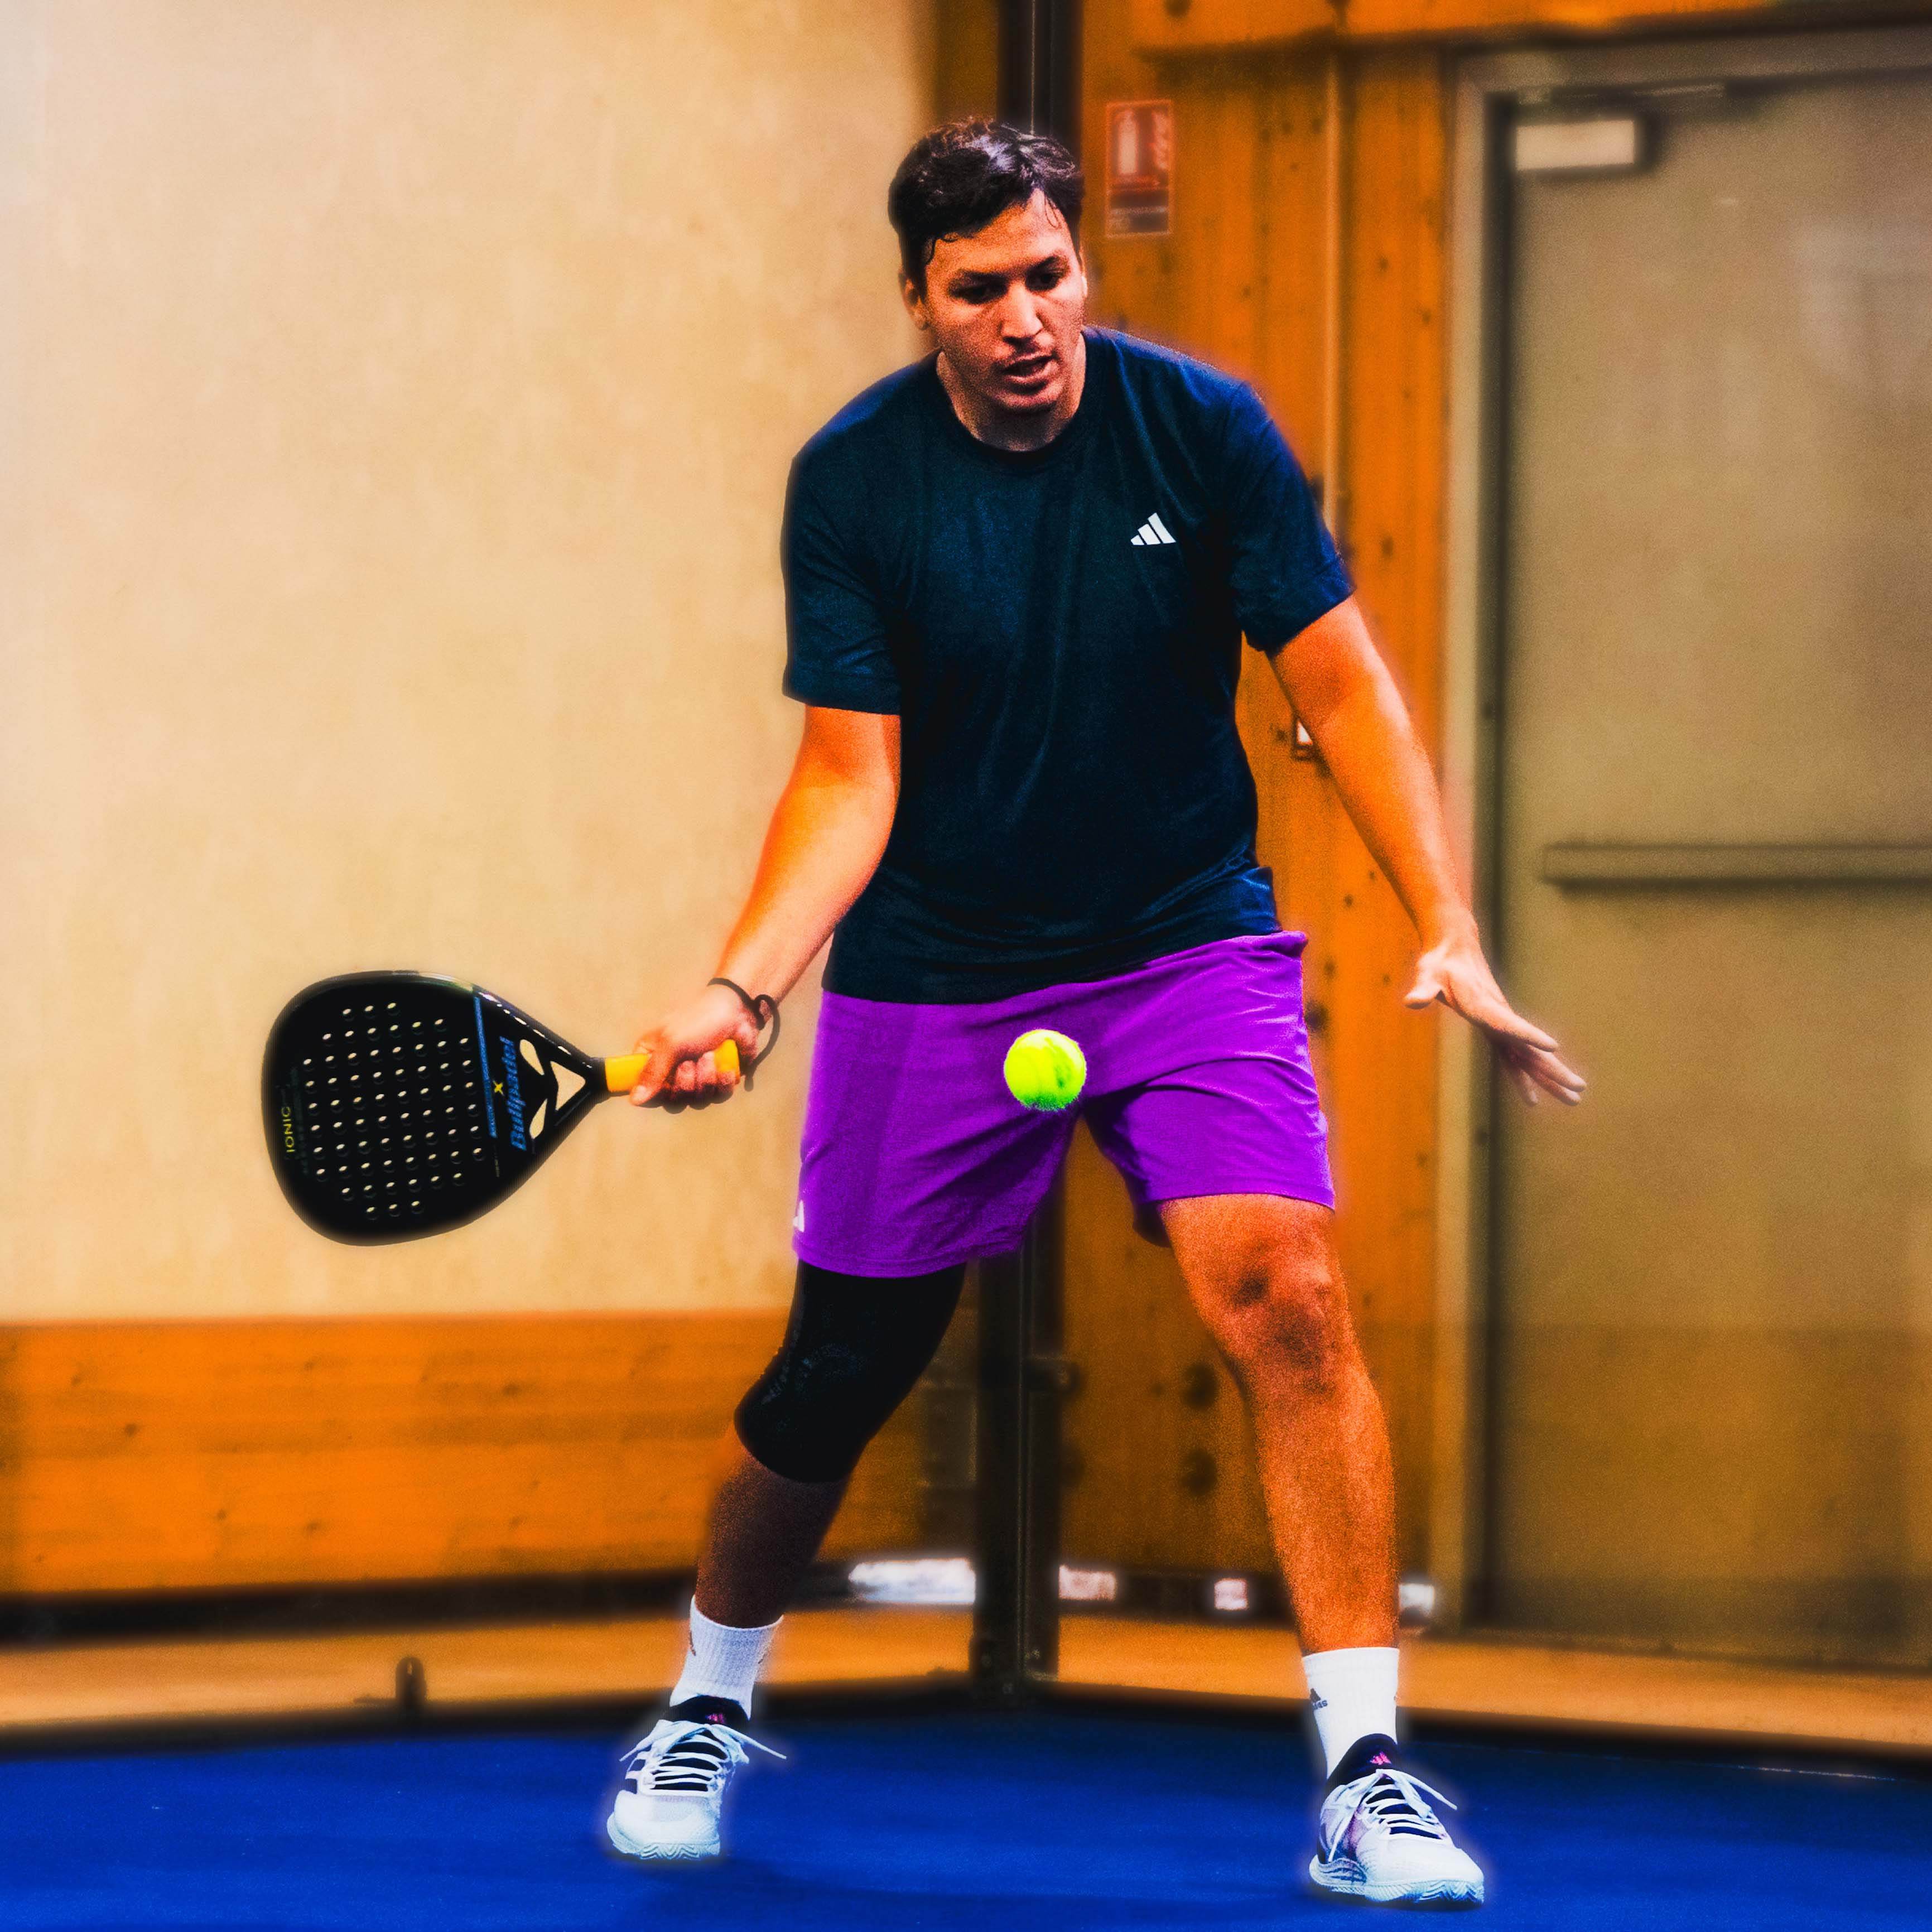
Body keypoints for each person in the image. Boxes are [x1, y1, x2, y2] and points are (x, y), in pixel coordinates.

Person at [604, 119, 1582, 1906]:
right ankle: (705, 1700)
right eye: (981, 289)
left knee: (1290, 1296)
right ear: (921, 301)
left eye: (1048, 274)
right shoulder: (860, 485)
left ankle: (1366, 1776)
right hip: (937, 965)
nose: (1026, 317)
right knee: (842, 1371)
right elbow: (847, 780)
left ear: (1082, 267)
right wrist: (744, 987)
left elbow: (1342, 688)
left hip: (1179, 942)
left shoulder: (1201, 434)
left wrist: (1446, 923)